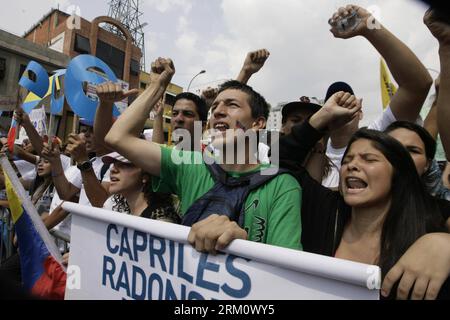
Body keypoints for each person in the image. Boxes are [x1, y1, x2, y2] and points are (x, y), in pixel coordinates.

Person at [105, 58, 303, 253]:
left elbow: (286, 269)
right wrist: (157, 85)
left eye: (232, 105)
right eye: (214, 107)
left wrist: (242, 245)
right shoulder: (190, 165)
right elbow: (117, 137)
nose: (217, 112)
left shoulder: (282, 185)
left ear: (258, 124)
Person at [279, 106, 450, 300]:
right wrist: (320, 121)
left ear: (397, 174)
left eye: (369, 159)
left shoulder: (427, 230)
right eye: (347, 159)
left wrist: (443, 243)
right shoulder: (324, 209)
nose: (352, 165)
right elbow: (277, 162)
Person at [322, 4, 433, 189]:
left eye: (348, 100)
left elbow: (417, 85)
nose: (341, 104)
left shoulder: (379, 136)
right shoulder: (315, 155)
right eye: (334, 101)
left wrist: (369, 27)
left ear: (360, 112)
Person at [102, 152, 179, 223]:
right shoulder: (123, 212)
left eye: (124, 164)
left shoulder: (161, 219)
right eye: (114, 164)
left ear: (145, 176)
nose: (112, 170)